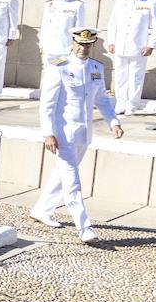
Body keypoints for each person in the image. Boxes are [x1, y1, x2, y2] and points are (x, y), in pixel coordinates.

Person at [31, 27, 124, 243]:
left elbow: (101, 99)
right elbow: (47, 104)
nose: (84, 48)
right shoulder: (59, 67)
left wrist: (113, 122)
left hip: (83, 133)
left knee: (62, 173)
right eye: (80, 44)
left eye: (88, 44)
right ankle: (84, 227)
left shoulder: (96, 68)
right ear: (72, 43)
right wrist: (48, 133)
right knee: (72, 180)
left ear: (93, 45)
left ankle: (41, 209)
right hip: (63, 133)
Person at [105, 0, 156, 115]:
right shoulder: (120, 3)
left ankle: (132, 105)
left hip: (138, 47)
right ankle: (120, 103)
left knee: (135, 78)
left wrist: (151, 45)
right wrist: (111, 41)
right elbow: (112, 24)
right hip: (120, 46)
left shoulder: (150, 3)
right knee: (120, 76)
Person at [41, 0, 86, 64]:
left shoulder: (77, 5)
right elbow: (45, 25)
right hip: (49, 47)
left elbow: (79, 28)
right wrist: (42, 43)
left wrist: (75, 46)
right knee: (49, 73)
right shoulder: (50, 4)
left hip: (66, 47)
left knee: (64, 73)